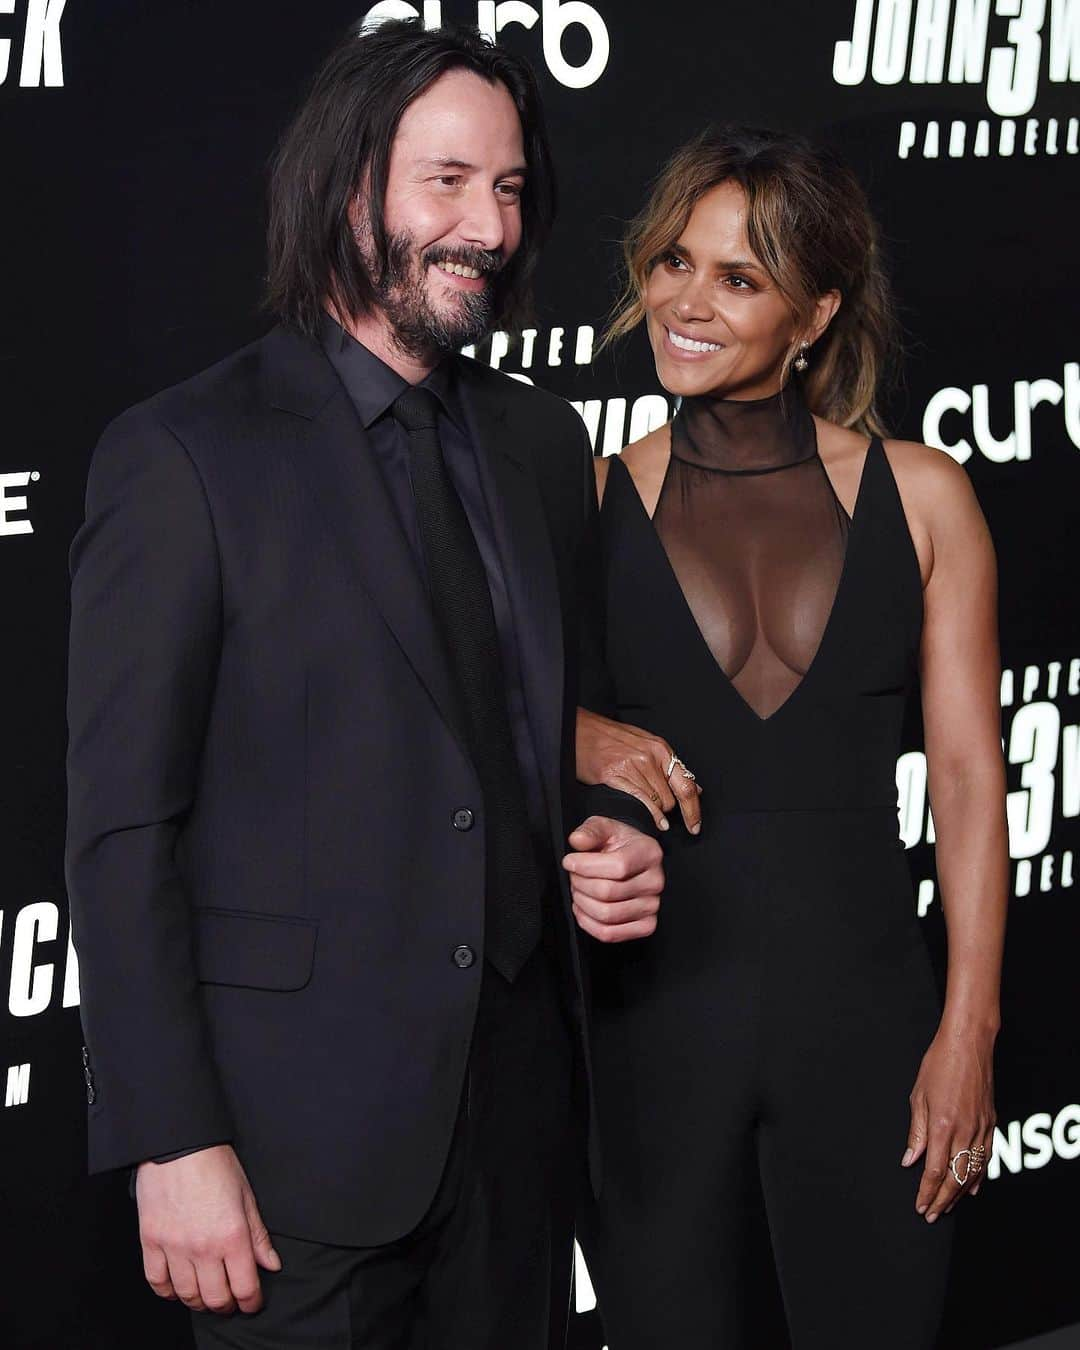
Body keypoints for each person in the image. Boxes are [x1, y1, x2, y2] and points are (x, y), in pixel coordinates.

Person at [65, 20, 663, 1349]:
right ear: (351, 193)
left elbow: (543, 730)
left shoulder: (542, 443)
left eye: (507, 188)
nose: (489, 227)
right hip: (296, 1155)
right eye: (445, 181)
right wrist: (175, 1140)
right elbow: (121, 836)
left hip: (519, 1130)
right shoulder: (185, 456)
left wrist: (610, 830)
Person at [571, 125, 1008, 1349]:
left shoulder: (925, 496)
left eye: (738, 278)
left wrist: (967, 1032)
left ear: (813, 314)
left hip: (868, 1021)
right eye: (673, 262)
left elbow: (971, 780)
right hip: (655, 1033)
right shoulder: (595, 500)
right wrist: (576, 733)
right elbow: (493, 714)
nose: (685, 303)